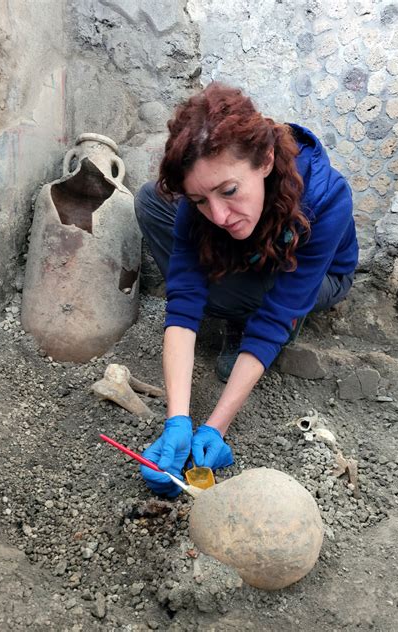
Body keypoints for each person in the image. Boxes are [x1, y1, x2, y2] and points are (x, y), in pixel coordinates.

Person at [134, 82, 358, 497]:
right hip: (255, 252)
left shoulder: (328, 198)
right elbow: (183, 304)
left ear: (266, 160)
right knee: (150, 200)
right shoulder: (205, 201)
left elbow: (277, 315)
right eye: (200, 200)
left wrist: (217, 426)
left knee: (249, 294)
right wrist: (178, 420)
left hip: (320, 276)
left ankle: (240, 319)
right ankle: (235, 293)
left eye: (229, 191)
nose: (217, 214)